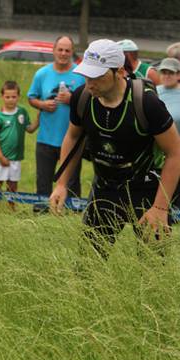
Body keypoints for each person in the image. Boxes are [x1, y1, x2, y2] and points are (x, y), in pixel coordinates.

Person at [49, 39, 180, 257]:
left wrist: (160, 207)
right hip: (105, 188)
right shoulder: (82, 97)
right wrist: (62, 184)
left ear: (119, 71)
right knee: (88, 264)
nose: (90, 83)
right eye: (87, 75)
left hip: (147, 188)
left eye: (97, 76)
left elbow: (175, 153)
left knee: (152, 267)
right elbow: (72, 137)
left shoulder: (147, 104)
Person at [27, 36, 85, 211]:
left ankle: (71, 215)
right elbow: (31, 98)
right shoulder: (42, 74)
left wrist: (72, 99)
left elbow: (90, 101)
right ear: (53, 51)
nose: (63, 54)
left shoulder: (80, 74)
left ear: (72, 52)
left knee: (72, 182)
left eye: (67, 50)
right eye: (60, 49)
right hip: (46, 138)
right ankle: (41, 215)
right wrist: (42, 104)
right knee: (43, 181)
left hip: (72, 140)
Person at [0, 81, 39, 209]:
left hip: (15, 157)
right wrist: (0, 157)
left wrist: (39, 117)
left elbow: (30, 129)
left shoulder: (22, 112)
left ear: (18, 96)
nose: (10, 100)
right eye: (7, 97)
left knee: (12, 185)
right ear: (2, 97)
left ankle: (12, 207)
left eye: (13, 97)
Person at [157, 58, 180, 133]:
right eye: (164, 72)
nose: (167, 76)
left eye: (171, 73)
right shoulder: (153, 91)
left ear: (178, 75)